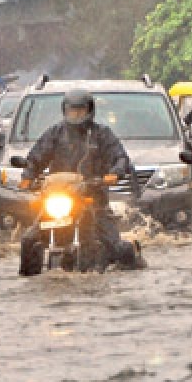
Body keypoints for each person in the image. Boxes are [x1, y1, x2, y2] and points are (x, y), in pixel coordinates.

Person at [18, 89, 141, 275]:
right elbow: (36, 157)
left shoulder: (102, 134)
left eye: (80, 110)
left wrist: (114, 173)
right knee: (29, 239)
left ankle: (131, 259)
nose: (75, 115)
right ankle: (29, 276)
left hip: (93, 199)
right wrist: (28, 175)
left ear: (89, 110)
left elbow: (120, 157)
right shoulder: (55, 133)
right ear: (64, 110)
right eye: (71, 110)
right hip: (59, 199)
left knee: (117, 248)